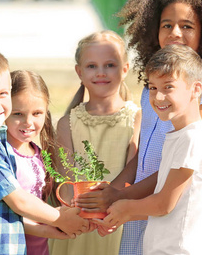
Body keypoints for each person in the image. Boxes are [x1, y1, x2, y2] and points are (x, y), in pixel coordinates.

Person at [75, 0, 202, 254]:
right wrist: (114, 190)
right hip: (140, 206)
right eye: (166, 24)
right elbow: (145, 150)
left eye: (187, 26)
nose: (175, 32)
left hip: (166, 207)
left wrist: (123, 200)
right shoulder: (153, 89)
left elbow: (180, 162)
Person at [0, 47, 89, 254]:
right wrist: (60, 218)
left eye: (3, 94)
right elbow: (19, 200)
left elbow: (9, 212)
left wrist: (59, 227)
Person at [99, 44, 202, 254]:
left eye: (168, 87)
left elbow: (163, 204)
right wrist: (119, 215)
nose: (158, 97)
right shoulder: (179, 136)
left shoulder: (193, 138)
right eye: (153, 87)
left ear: (196, 89)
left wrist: (125, 208)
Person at [49, 30, 141, 255]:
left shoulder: (138, 117)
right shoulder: (67, 123)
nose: (101, 73)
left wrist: (109, 215)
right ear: (79, 72)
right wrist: (84, 216)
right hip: (79, 225)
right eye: (92, 66)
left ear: (125, 69)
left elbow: (134, 175)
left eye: (110, 65)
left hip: (118, 224)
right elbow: (67, 182)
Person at [6, 70, 67, 255]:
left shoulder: (39, 154)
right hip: (9, 246)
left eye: (37, 113)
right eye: (18, 113)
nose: (28, 122)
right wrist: (51, 224)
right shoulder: (2, 155)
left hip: (39, 248)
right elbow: (2, 214)